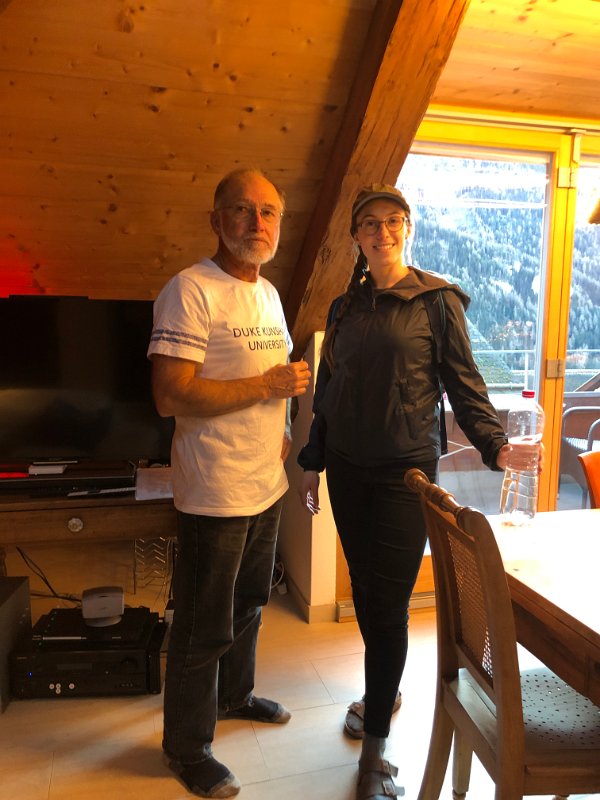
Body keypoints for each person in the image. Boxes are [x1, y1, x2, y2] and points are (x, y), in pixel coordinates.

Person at [297, 183, 534, 800]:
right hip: (346, 469)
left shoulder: (436, 300)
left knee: (389, 602)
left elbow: (465, 384)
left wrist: (496, 446)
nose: (383, 232)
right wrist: (313, 462)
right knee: (367, 591)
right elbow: (328, 392)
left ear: (408, 228)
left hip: (406, 474)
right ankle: (384, 690)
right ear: (356, 236)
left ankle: (375, 748)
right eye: (370, 223)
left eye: (394, 221)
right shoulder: (344, 308)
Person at [148, 168, 310, 798]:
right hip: (214, 490)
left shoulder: (267, 294)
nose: (257, 223)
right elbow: (170, 395)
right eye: (243, 210)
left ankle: (235, 696)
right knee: (201, 625)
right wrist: (268, 387)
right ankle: (186, 749)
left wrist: (285, 425)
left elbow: (280, 374)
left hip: (265, 482)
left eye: (268, 212)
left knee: (249, 603)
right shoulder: (190, 290)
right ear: (216, 220)